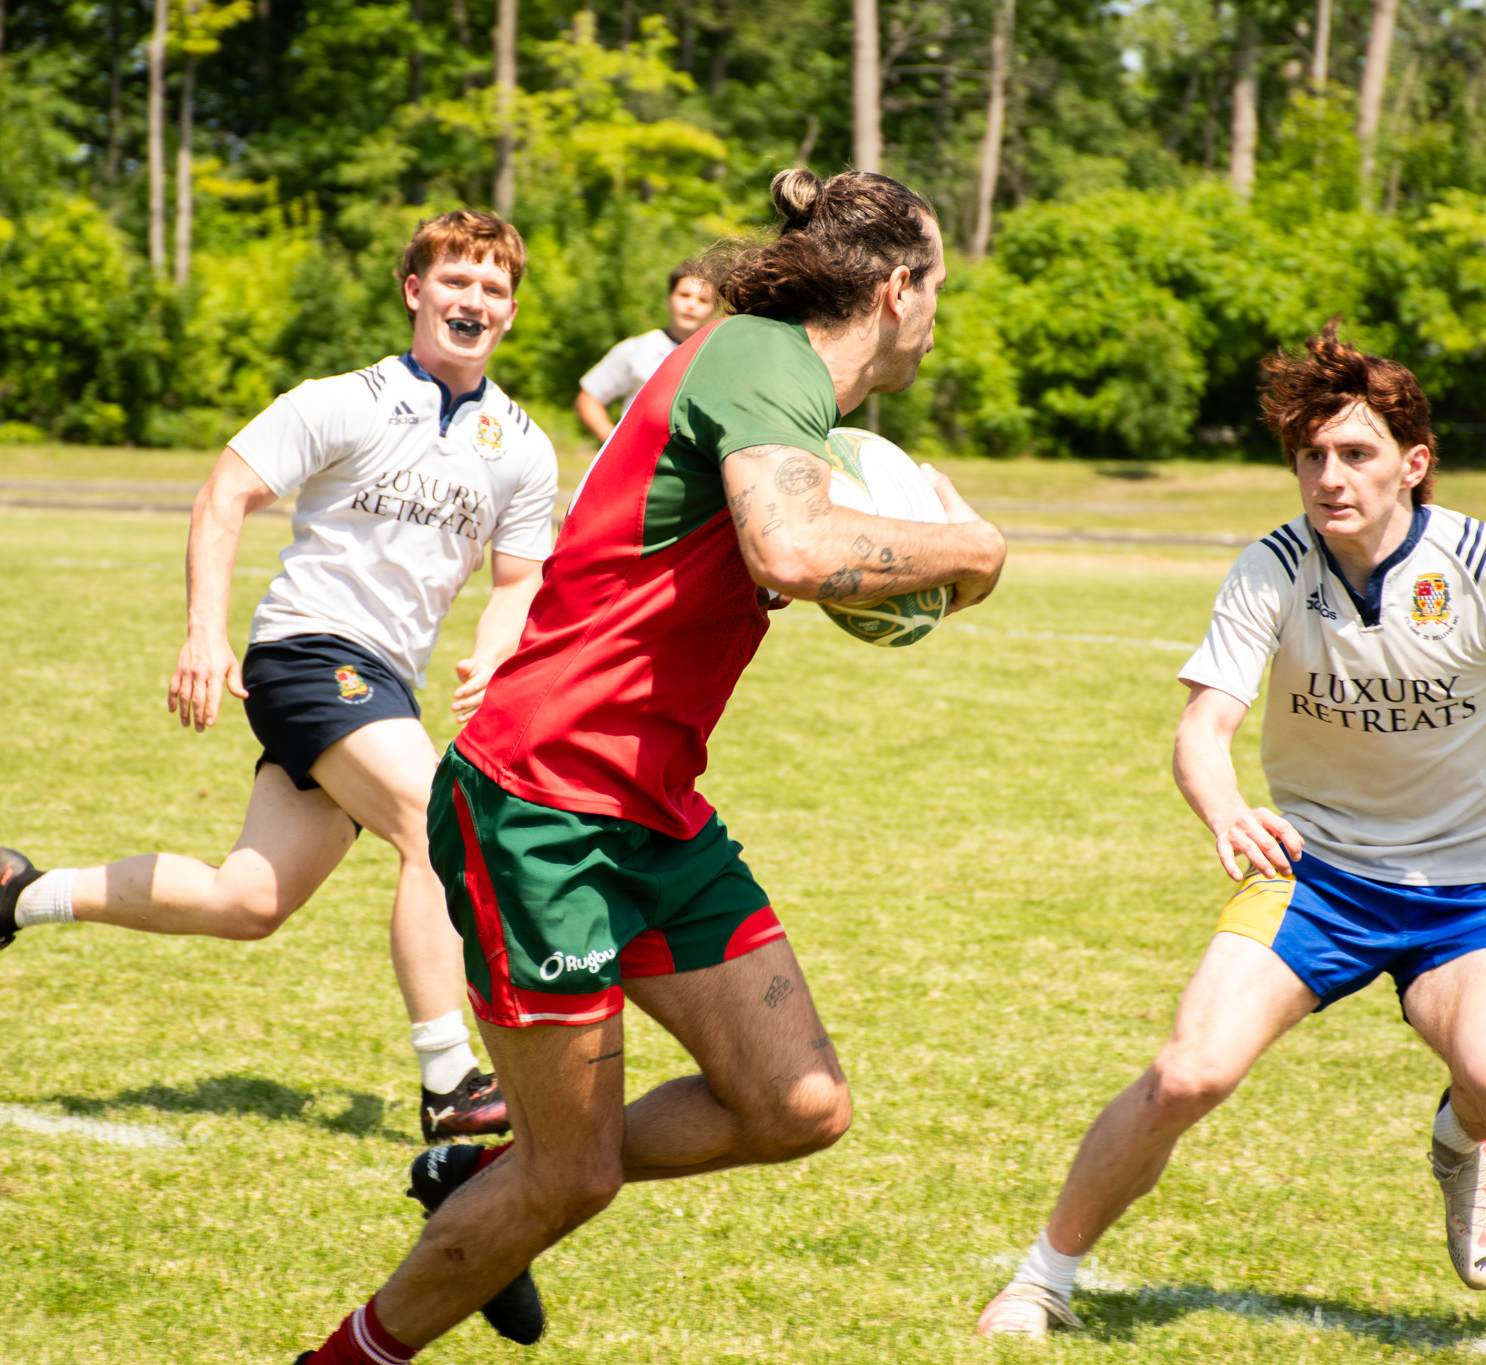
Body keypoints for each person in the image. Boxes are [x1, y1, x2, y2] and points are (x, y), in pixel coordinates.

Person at [289, 169, 1009, 1364]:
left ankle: (479, 1170)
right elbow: (791, 545)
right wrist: (969, 546)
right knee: (571, 1182)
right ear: (895, 291)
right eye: (938, 287)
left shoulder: (772, 378)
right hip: (541, 801)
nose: (938, 314)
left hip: (649, 811)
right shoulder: (758, 358)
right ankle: (348, 1355)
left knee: (796, 1105)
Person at [976, 322, 1486, 1339]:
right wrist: (1223, 807)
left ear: (1413, 462)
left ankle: (1457, 1135)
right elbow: (1201, 728)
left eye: (1353, 453)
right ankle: (1042, 1279)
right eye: (1309, 456)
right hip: (1312, 876)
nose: (1327, 476)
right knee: (1187, 1073)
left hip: (1466, 896)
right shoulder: (1271, 568)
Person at [0, 210, 562, 1145]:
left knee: (247, 901)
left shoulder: (524, 446)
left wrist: (498, 648)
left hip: (385, 681)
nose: (475, 300)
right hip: (309, 653)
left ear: (510, 311)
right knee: (442, 828)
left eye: (494, 288)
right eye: (455, 281)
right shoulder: (342, 399)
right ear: (414, 291)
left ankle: (21, 891)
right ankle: (449, 1080)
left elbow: (519, 579)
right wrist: (202, 635)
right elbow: (226, 492)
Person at [572, 261, 718, 444]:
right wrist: (614, 444)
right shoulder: (637, 349)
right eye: (684, 295)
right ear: (669, 300)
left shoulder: (717, 358)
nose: (691, 305)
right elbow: (588, 398)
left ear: (713, 310)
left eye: (703, 300)